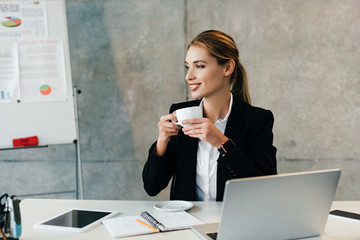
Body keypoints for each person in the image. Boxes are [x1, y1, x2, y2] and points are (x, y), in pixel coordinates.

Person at [142, 30, 277, 201]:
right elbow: (152, 187)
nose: (188, 76)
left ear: (227, 68)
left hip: (232, 222)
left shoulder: (257, 120)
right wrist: (162, 141)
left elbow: (265, 190)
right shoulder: (180, 114)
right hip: (188, 222)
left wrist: (222, 143)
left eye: (199, 66)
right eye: (187, 66)